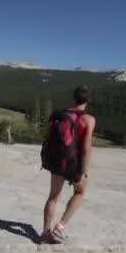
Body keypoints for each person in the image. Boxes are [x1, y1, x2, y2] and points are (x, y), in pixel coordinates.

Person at [41, 85, 96, 244]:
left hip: (58, 161)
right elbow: (85, 149)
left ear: (74, 97)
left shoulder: (61, 115)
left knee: (53, 196)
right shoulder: (88, 120)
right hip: (73, 163)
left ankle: (45, 233)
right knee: (79, 192)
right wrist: (83, 171)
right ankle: (60, 226)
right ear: (88, 100)